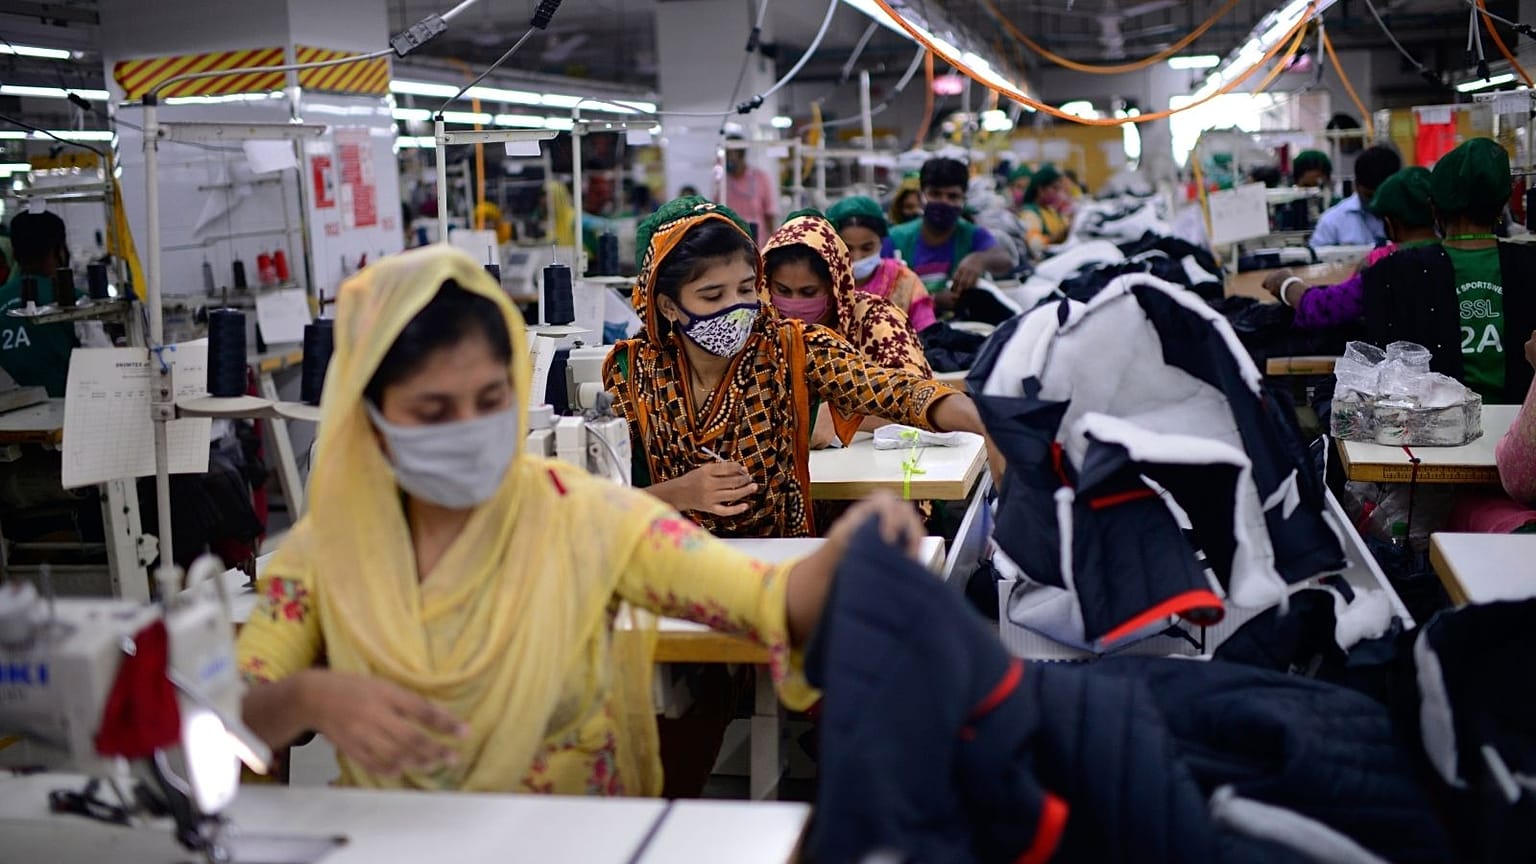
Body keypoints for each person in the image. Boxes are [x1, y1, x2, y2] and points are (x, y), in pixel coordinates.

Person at [236, 243, 931, 793]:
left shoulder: (579, 515)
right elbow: (222, 716)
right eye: (431, 411)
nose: (472, 427)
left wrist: (848, 555)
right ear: (373, 418)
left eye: (490, 398)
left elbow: (763, 599)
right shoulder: (329, 553)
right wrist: (304, 698)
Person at [603, 197, 990, 538]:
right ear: (668, 305)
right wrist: (680, 493)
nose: (736, 307)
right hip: (666, 566)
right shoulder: (633, 371)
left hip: (780, 566)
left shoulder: (791, 347)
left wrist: (989, 422)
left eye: (745, 288)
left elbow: (897, 392)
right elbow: (599, 500)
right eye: (712, 295)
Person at [1362, 137, 1536, 404]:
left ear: (1434, 207)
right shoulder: (1529, 265)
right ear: (1503, 204)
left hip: (1432, 435)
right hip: (1522, 430)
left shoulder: (1392, 273)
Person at [763, 212, 932, 447]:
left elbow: (919, 398)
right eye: (782, 290)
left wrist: (843, 419)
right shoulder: (763, 331)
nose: (794, 302)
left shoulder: (876, 321)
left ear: (835, 287)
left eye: (808, 293)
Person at [1266, 166, 1439, 327]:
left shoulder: (1383, 267)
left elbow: (1324, 308)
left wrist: (1285, 283)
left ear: (1390, 223)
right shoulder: (1453, 255)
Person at [884, 158, 1016, 298]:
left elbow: (1005, 259)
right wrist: (932, 301)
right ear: (921, 195)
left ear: (963, 199)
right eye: (935, 194)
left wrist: (980, 259)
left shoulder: (972, 235)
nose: (944, 202)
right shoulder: (895, 239)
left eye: (952, 196)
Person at [827, 195, 936, 333]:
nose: (857, 257)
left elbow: (928, 334)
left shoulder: (905, 281)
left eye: (867, 248)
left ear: (881, 242)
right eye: (846, 249)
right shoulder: (824, 283)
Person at [0, 212, 78, 396]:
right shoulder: (77, 300)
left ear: (15, 254)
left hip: (10, 418)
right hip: (69, 412)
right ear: (59, 250)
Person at [1309, 145, 1401, 247]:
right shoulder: (1332, 222)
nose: (1376, 203)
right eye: (1369, 196)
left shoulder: (1411, 219)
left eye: (1382, 197)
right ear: (1356, 185)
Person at [723, 136, 778, 244]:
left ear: (741, 155)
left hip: (757, 241)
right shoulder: (722, 182)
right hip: (730, 240)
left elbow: (769, 214)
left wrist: (773, 243)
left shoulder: (760, 178)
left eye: (729, 154)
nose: (727, 159)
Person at [1019, 163, 1075, 258]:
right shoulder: (1030, 213)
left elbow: (1065, 226)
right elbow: (1035, 245)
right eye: (1055, 188)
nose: (1058, 193)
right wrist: (1056, 237)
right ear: (1041, 189)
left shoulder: (1052, 211)